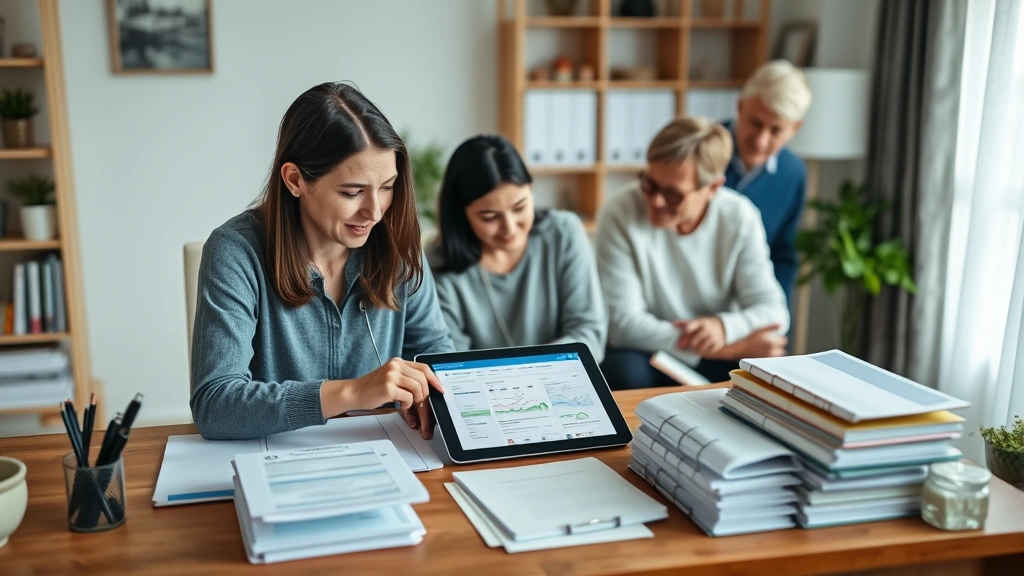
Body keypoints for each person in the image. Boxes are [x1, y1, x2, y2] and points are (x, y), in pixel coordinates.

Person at [190, 82, 454, 441]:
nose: (374, 212)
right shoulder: (235, 251)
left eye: (387, 186)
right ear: (295, 180)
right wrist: (354, 392)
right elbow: (215, 405)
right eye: (352, 192)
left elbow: (439, 362)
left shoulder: (398, 247)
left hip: (385, 457)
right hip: (273, 463)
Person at [596, 117, 789, 389]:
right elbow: (623, 325)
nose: (655, 200)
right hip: (651, 350)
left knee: (775, 362)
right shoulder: (619, 212)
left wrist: (724, 328)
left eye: (673, 194)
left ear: (712, 188)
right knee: (621, 370)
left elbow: (775, 313)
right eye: (649, 184)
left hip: (715, 343)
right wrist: (729, 347)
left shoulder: (739, 216)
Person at [428, 135, 606, 361]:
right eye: (489, 216)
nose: (509, 228)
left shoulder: (564, 232)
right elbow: (450, 359)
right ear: (461, 214)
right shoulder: (438, 263)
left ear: (531, 189)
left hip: (563, 379)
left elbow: (589, 333)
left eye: (520, 207)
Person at [724, 60, 812, 305]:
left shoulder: (793, 173)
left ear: (795, 128)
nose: (761, 141)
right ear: (740, 107)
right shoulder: (700, 152)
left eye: (776, 131)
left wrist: (774, 322)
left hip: (754, 309)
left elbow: (784, 256)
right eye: (756, 123)